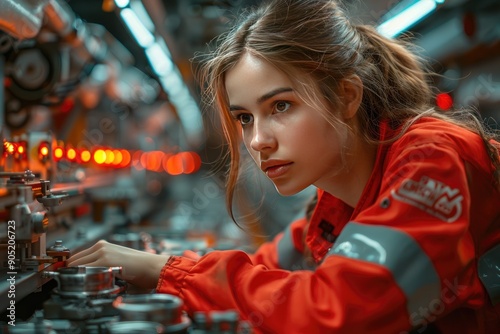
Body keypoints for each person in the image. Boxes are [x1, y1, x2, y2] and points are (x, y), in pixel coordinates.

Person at [67, 0, 500, 333]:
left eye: (281, 106)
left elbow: (330, 310)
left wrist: (164, 271)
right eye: (245, 118)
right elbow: (269, 269)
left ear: (346, 96)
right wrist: (163, 268)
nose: (258, 140)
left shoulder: (433, 159)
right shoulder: (333, 206)